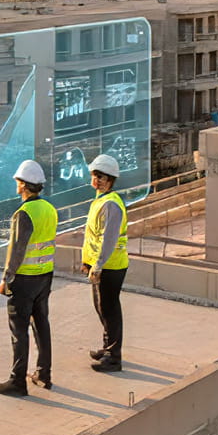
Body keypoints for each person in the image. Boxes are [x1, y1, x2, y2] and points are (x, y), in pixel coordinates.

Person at [0, 159, 57, 397]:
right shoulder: (49, 210)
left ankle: (17, 381)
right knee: (42, 324)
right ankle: (44, 373)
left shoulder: (23, 213)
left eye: (18, 182)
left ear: (23, 185)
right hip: (45, 275)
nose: (16, 185)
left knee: (19, 331)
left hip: (24, 280)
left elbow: (17, 250)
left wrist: (6, 278)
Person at [82, 153, 129, 373]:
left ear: (110, 180)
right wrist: (87, 262)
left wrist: (98, 265)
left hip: (110, 266)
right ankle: (108, 347)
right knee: (102, 308)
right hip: (102, 265)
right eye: (95, 175)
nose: (97, 180)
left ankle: (113, 356)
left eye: (101, 177)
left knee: (109, 309)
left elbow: (108, 239)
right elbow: (93, 236)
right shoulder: (100, 200)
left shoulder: (111, 204)